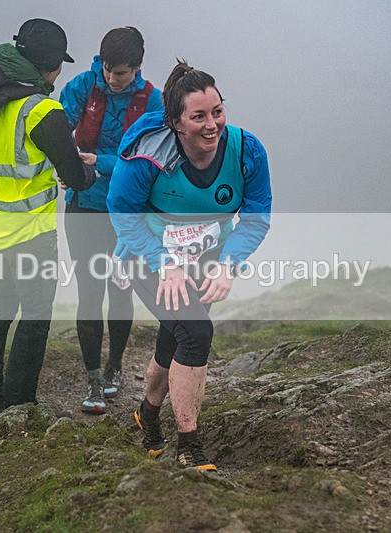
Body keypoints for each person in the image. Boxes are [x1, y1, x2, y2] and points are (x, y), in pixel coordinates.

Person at [107, 60, 272, 471]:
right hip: (148, 254)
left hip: (206, 258)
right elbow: (122, 212)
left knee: (177, 335)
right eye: (198, 116)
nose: (211, 124)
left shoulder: (247, 150)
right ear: (177, 123)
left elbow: (257, 214)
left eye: (217, 111)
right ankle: (189, 445)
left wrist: (229, 264)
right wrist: (164, 264)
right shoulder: (147, 154)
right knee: (196, 332)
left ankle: (147, 413)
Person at [0, 19, 96, 424]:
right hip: (30, 233)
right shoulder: (41, 110)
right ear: (50, 66)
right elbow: (71, 172)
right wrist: (90, 173)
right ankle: (18, 409)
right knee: (34, 316)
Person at [58, 27, 163, 414]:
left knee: (121, 289)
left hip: (128, 214)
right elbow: (58, 135)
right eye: (106, 68)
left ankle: (116, 366)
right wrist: (67, 163)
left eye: (119, 72)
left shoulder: (154, 102)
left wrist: (96, 163)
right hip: (82, 205)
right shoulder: (82, 86)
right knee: (89, 290)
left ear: (137, 67)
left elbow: (148, 160)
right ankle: (93, 380)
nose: (111, 77)